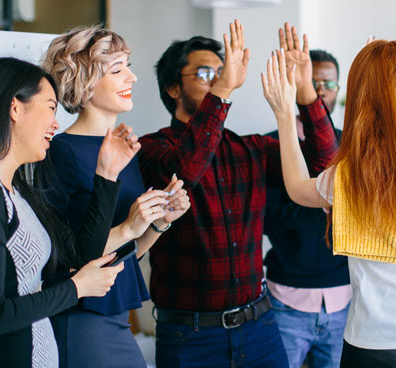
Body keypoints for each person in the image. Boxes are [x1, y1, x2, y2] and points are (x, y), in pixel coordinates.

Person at [262, 40, 396, 367]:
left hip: (374, 344)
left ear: (362, 95)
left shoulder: (351, 177)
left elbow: (295, 188)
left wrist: (284, 115)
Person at [138, 20, 337, 367]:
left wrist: (305, 91)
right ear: (173, 88)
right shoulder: (152, 148)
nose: (216, 78)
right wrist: (225, 89)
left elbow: (324, 165)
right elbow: (186, 173)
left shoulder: (251, 150)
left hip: (258, 327)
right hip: (189, 336)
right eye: (204, 73)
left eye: (221, 71)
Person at [0, 57, 132, 367]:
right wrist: (76, 288)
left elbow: (81, 253)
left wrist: (107, 174)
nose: (56, 123)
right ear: (16, 109)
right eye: (51, 107)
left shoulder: (15, 191)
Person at [41, 27, 191, 368]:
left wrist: (159, 223)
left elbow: (127, 253)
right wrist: (130, 225)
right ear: (86, 83)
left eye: (129, 65)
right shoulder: (62, 151)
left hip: (115, 314)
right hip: (81, 317)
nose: (133, 77)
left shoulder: (122, 147)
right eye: (118, 68)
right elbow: (69, 258)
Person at [263, 48, 350, 368]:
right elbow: (265, 216)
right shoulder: (270, 145)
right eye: (313, 83)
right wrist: (320, 202)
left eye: (328, 84)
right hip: (287, 295)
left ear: (338, 89)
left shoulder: (352, 144)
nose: (320, 91)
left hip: (345, 297)